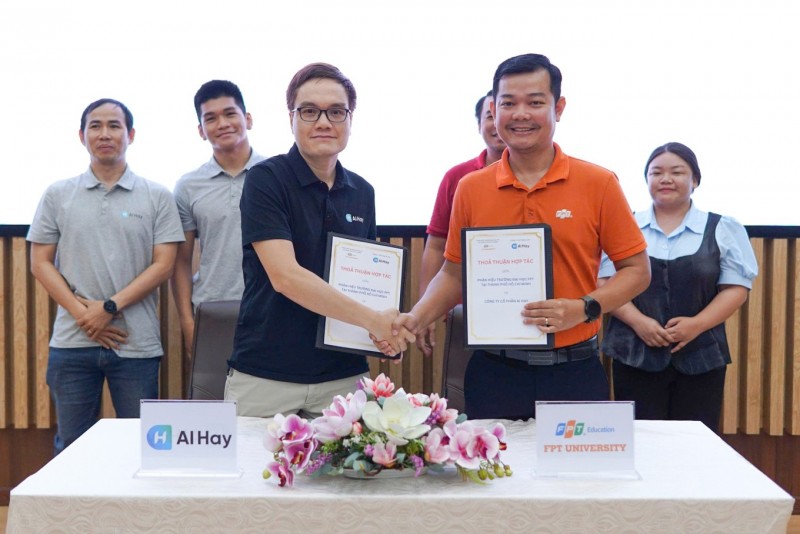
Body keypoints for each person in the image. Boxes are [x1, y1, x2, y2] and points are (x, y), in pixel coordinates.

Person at [393, 53, 651, 420]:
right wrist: (417, 317)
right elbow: (453, 274)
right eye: (508, 103)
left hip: (575, 371)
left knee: (577, 463)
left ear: (558, 108)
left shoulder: (599, 183)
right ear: (493, 110)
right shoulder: (471, 188)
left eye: (535, 102)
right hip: (493, 372)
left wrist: (583, 308)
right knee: (492, 461)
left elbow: (637, 271)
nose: (520, 114)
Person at [226, 63, 414, 418]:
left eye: (337, 111)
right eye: (310, 111)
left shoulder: (362, 191)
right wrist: (374, 320)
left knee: (353, 458)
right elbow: (285, 277)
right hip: (266, 373)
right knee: (253, 458)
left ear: (350, 119)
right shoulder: (266, 180)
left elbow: (368, 283)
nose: (324, 122)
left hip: (343, 374)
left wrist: (382, 335)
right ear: (291, 118)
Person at [27, 98, 185, 454]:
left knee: (143, 448)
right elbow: (40, 263)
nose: (104, 134)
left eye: (114, 125)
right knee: (72, 449)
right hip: (72, 342)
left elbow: (163, 265)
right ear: (81, 135)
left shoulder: (157, 195)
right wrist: (86, 316)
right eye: (95, 126)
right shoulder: (58, 194)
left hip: (136, 344)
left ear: (130, 134)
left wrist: (109, 308)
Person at [598, 142, 757, 432]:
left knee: (695, 442)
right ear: (646, 179)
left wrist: (696, 325)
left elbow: (736, 288)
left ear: (695, 180)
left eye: (677, 172)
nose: (666, 179)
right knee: (641, 441)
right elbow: (606, 282)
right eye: (656, 172)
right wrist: (640, 322)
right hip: (632, 355)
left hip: (702, 356)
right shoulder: (624, 224)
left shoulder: (723, 227)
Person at [171, 80, 265, 355]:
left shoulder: (277, 174)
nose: (222, 124)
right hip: (212, 309)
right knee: (214, 384)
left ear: (248, 119)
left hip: (272, 309)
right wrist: (187, 322)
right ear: (201, 130)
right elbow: (181, 262)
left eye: (230, 113)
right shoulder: (188, 186)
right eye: (211, 118)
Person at [418, 91, 506, 349]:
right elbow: (436, 245)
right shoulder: (458, 177)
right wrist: (424, 309)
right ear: (478, 124)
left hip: (533, 314)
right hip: (466, 315)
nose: (497, 123)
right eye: (489, 116)